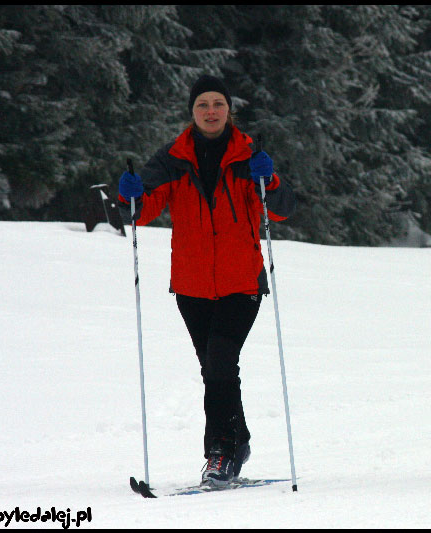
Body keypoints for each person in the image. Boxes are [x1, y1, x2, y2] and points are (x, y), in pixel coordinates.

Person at [117, 75, 296, 487]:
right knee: (215, 369)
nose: (211, 111)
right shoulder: (172, 158)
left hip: (241, 282)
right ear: (192, 111)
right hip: (191, 285)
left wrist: (268, 180)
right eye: (203, 104)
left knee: (219, 361)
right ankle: (239, 439)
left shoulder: (249, 154)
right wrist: (132, 196)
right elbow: (141, 211)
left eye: (218, 103)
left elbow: (281, 209)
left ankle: (221, 454)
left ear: (229, 109)